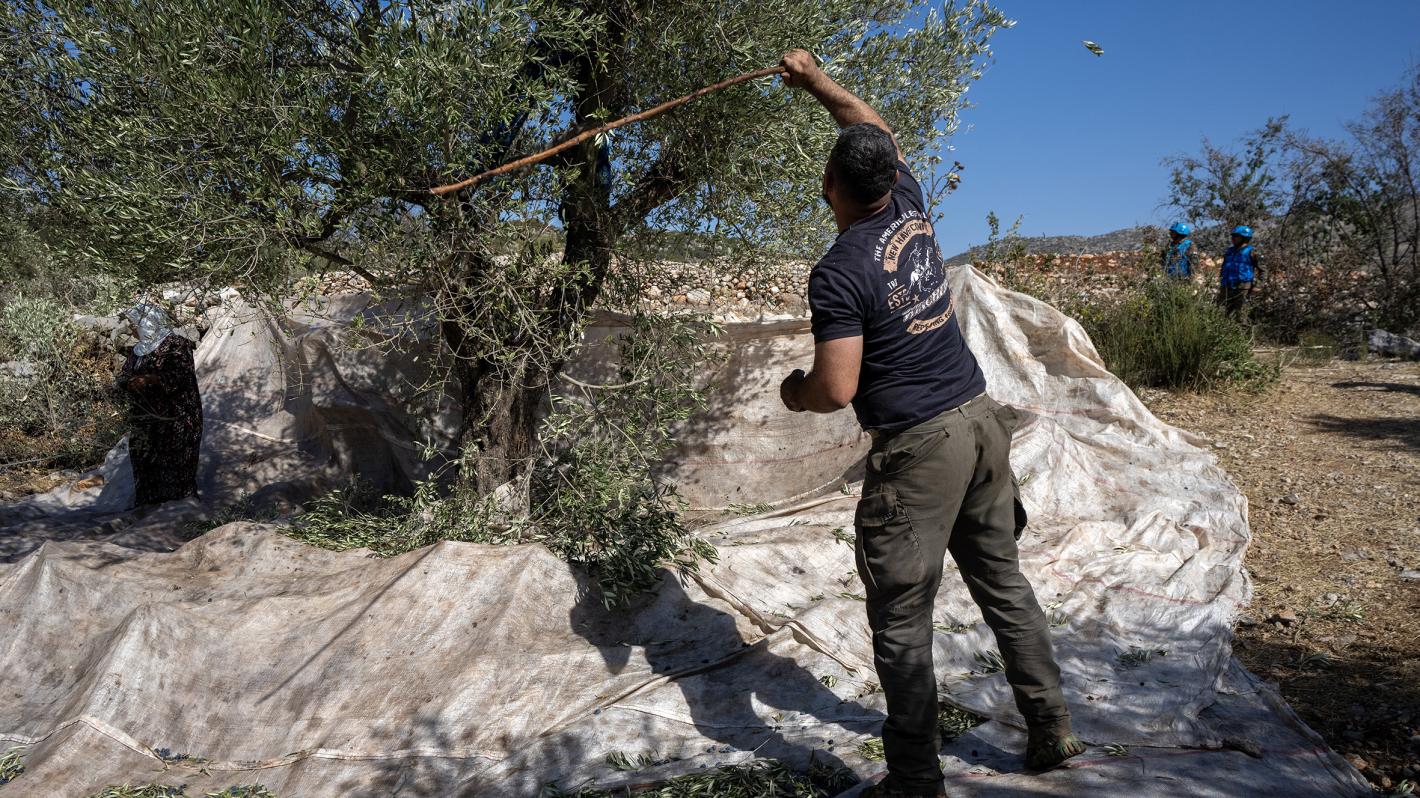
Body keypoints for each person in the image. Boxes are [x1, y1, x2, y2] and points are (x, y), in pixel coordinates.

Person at [775, 49, 1082, 798]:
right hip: (981, 421)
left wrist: (794, 393)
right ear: (887, 176)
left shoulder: (839, 269)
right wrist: (816, 81)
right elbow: (869, 125)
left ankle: (914, 778)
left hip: (921, 448)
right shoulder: (907, 200)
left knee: (901, 617)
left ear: (829, 188)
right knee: (1003, 583)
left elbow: (837, 386)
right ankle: (1052, 732)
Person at [116, 301, 203, 506]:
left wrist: (150, 380)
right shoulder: (136, 351)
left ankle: (179, 511)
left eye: (133, 323)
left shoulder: (176, 345)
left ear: (148, 322)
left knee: (175, 464)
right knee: (144, 459)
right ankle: (149, 508)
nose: (131, 328)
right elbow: (123, 377)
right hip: (145, 420)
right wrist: (126, 383)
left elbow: (181, 376)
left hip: (177, 419)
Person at [1217, 225, 1259, 319]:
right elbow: (1224, 266)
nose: (1233, 238)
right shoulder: (1229, 251)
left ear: (1244, 238)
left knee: (1241, 316)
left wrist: (1258, 286)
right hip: (1226, 286)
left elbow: (1262, 270)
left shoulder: (1252, 252)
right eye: (1232, 236)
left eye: (1236, 236)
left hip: (1242, 287)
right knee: (1220, 313)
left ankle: (1243, 333)